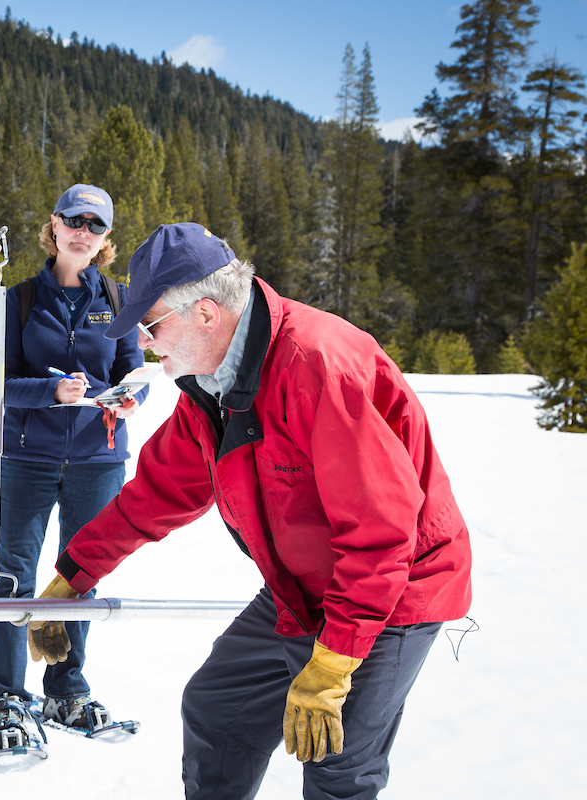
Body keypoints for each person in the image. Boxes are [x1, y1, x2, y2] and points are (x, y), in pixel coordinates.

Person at [27, 222, 472, 798]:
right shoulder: (212, 383)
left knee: (337, 761)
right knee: (218, 710)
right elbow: (158, 492)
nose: (145, 343)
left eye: (152, 324)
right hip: (301, 584)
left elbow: (382, 532)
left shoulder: (318, 366)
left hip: (391, 589)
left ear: (207, 313)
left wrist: (334, 663)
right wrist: (72, 576)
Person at [0, 184, 147, 757]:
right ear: (53, 225)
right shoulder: (19, 299)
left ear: (104, 239)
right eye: (73, 220)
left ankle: (66, 689)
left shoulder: (121, 300)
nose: (82, 232)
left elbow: (134, 377)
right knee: (14, 576)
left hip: (98, 461)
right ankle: (6, 695)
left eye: (94, 225)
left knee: (81, 574)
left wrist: (125, 399)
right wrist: (52, 389)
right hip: (27, 458)